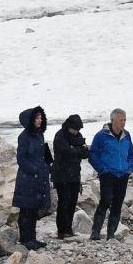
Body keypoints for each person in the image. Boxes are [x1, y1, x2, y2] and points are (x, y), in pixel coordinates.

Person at [88, 108, 133, 242]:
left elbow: (131, 154)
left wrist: (129, 168)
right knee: (105, 201)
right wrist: (102, 169)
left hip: (122, 175)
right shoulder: (101, 136)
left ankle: (111, 235)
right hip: (108, 174)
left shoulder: (127, 135)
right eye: (121, 120)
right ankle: (95, 232)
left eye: (125, 120)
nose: (123, 122)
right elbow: (93, 154)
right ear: (113, 120)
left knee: (117, 204)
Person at [12, 106, 52, 250]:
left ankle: (32, 238)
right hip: (27, 179)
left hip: (39, 177)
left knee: (34, 209)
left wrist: (48, 167)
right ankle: (25, 239)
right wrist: (35, 170)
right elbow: (21, 159)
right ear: (31, 120)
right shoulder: (24, 136)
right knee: (26, 210)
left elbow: (44, 153)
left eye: (41, 118)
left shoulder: (39, 134)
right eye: (37, 118)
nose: (40, 120)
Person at [50, 113, 88, 239]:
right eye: (74, 129)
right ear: (69, 126)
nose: (76, 132)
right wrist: (77, 149)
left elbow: (84, 153)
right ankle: (61, 230)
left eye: (78, 130)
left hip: (74, 175)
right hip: (61, 176)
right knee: (64, 202)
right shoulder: (60, 136)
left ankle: (68, 229)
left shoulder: (78, 136)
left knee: (72, 203)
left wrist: (76, 149)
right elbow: (67, 152)